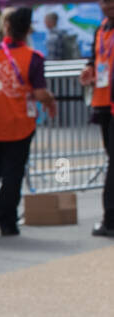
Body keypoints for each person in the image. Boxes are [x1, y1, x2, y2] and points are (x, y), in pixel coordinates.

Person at [0, 6, 57, 237]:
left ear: (6, 27)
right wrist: (50, 101)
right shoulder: (34, 58)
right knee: (13, 175)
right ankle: (7, 221)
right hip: (20, 125)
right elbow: (39, 93)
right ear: (28, 30)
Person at [80, 0, 114, 237]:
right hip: (103, 103)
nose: (107, 5)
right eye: (103, 1)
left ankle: (110, 219)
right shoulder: (101, 28)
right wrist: (89, 68)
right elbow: (96, 57)